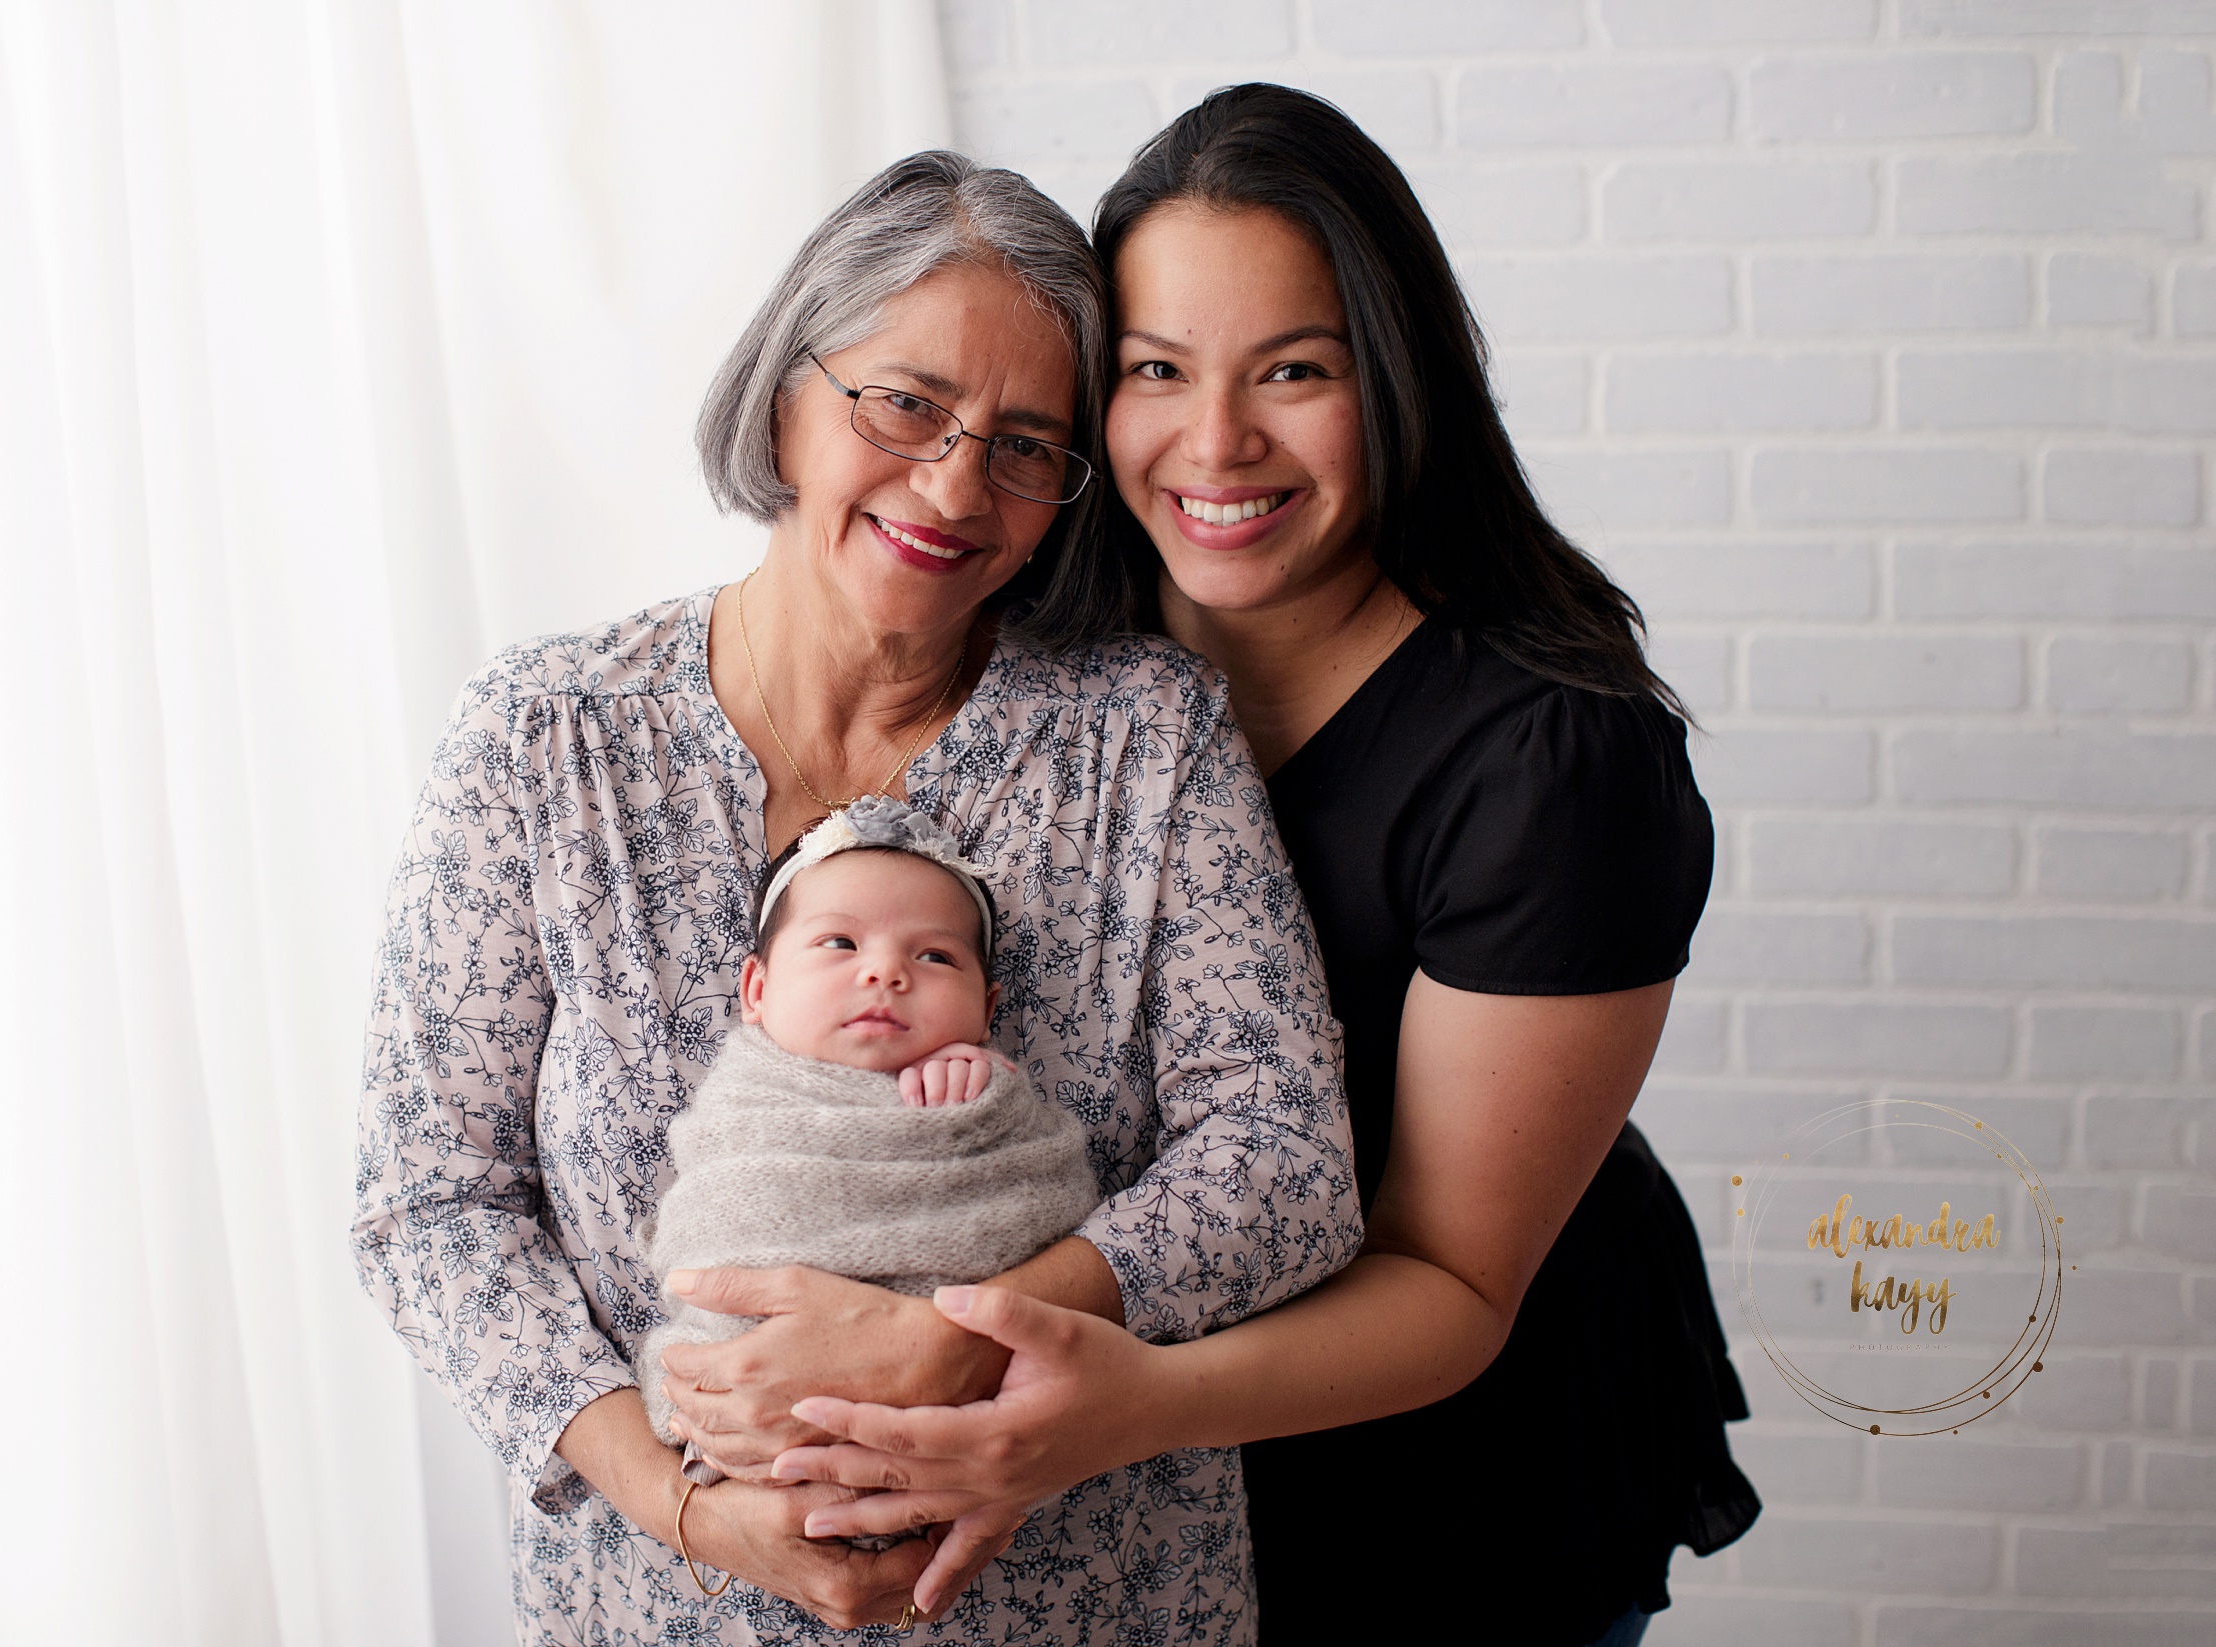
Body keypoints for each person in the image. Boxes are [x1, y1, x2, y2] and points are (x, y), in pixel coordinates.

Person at [737, 86, 1760, 1647]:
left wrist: (1121, 1397)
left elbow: (1448, 1275)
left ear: (1395, 381)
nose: (1213, 443)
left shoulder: (1554, 763)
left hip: (1447, 1453)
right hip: (1119, 1452)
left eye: (1293, 370)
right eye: (1154, 372)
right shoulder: (1049, 661)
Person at [349, 148, 1360, 1644]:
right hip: (659, 1598)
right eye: (904, 404)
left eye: (1026, 445)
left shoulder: (1142, 735)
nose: (956, 484)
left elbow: (1286, 1158)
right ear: (781, 399)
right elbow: (425, 1204)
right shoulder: (543, 737)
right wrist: (677, 1499)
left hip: (1093, 1602)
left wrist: (951, 1342)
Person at [635, 796, 1100, 1499]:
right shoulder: (745, 1095)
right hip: (746, 1400)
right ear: (757, 989)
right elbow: (711, 1223)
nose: (884, 972)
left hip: (965, 1425)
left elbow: (1042, 1199)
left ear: (986, 1008)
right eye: (840, 944)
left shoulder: (983, 1094)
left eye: (936, 955)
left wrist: (984, 1105)